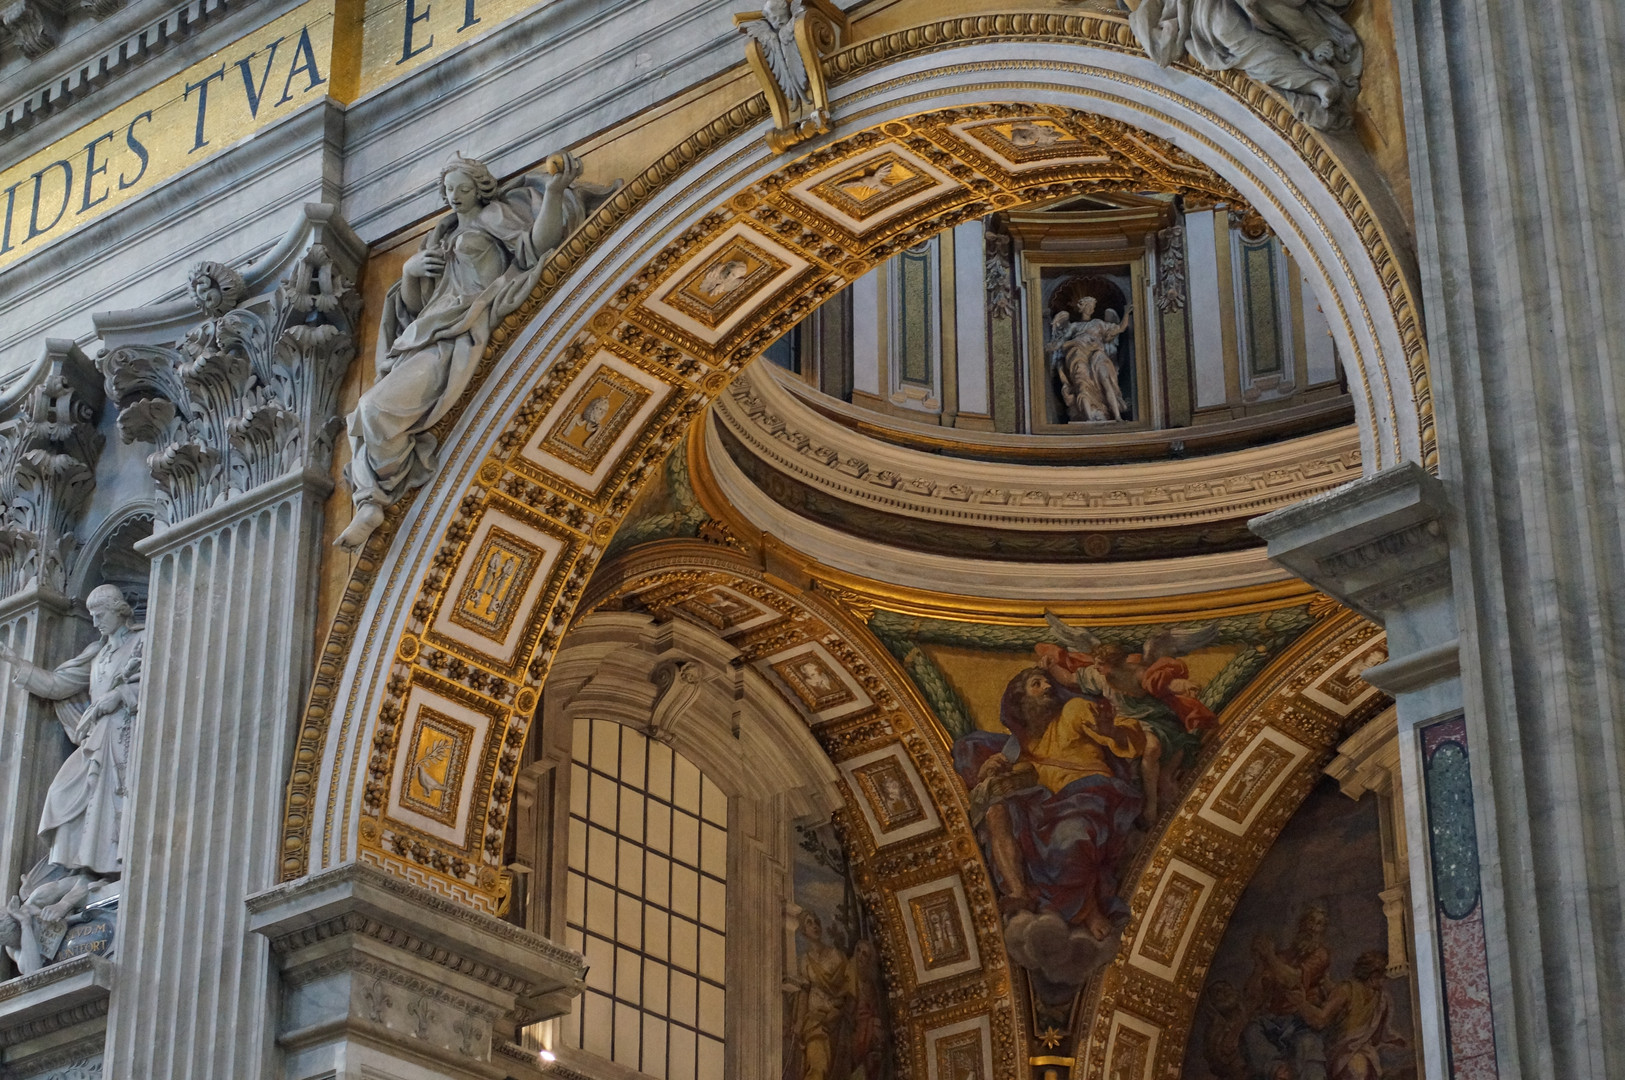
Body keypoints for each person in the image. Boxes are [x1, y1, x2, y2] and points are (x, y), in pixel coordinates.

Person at [336, 152, 616, 550]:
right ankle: (371, 500)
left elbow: (537, 246)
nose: (455, 196)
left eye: (463, 188)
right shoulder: (439, 238)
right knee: (367, 411)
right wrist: (409, 272)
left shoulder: (494, 217)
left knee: (375, 409)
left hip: (465, 325)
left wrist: (554, 193)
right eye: (449, 189)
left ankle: (373, 498)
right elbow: (417, 306)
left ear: (480, 189)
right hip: (427, 332)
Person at [954, 667, 1146, 938]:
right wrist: (988, 769)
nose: (1047, 687)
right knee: (996, 812)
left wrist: (1112, 731)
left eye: (1046, 682)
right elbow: (998, 778)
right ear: (1021, 701)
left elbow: (1129, 739)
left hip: (1088, 796)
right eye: (1036, 684)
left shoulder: (1074, 710)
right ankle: (1018, 891)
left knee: (1071, 833)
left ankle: (1089, 909)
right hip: (1043, 810)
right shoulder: (1019, 745)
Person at [0, 584, 143, 879]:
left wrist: (121, 695)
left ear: (118, 610)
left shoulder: (142, 641)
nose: (95, 622)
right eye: (91, 615)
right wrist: (16, 662)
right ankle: (76, 869)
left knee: (115, 798)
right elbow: (57, 685)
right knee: (60, 793)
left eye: (101, 614)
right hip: (96, 736)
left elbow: (163, 679)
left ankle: (109, 870)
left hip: (125, 734)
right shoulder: (97, 654)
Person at [1293, 951, 1406, 1080]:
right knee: (1357, 1068)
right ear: (1373, 976)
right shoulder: (1346, 990)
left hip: (1363, 1049)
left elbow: (1377, 1036)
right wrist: (1301, 1003)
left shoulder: (1382, 999)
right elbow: (1320, 1020)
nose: (1385, 981)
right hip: (1340, 1049)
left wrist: (1395, 1040)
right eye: (1383, 977)